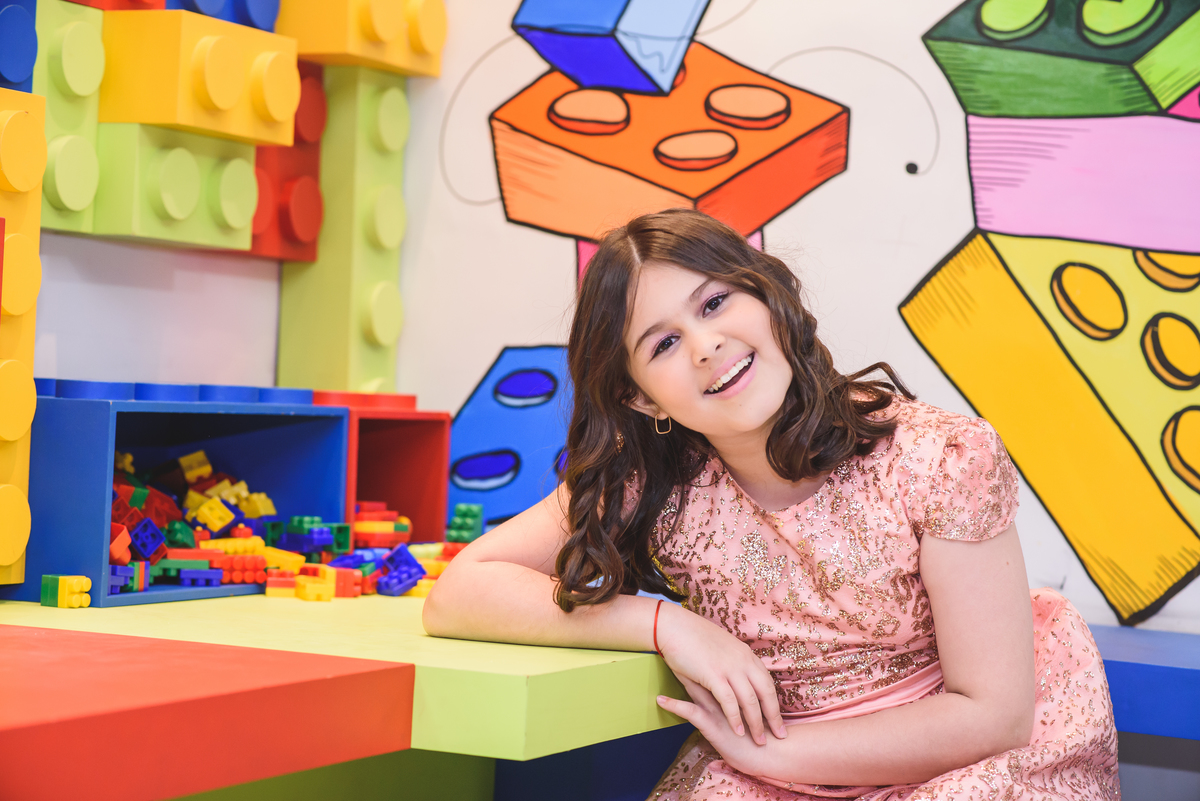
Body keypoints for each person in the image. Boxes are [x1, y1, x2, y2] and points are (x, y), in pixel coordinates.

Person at [423, 209, 1119, 799]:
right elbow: (460, 590)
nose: (706, 346)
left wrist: (777, 755)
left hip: (950, 762)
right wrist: (670, 626)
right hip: (767, 769)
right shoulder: (653, 480)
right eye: (664, 343)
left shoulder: (939, 457)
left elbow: (992, 716)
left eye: (714, 304)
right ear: (639, 396)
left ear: (767, 298)